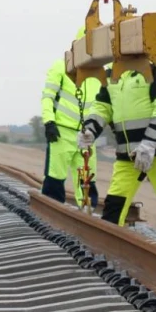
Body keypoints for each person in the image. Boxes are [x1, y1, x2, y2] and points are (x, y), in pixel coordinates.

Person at [82, 65, 156, 248]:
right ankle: (107, 249)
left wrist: (149, 143)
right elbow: (103, 107)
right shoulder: (111, 72)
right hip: (127, 154)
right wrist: (90, 130)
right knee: (114, 204)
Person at [40, 57, 100, 207]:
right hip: (61, 133)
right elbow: (48, 96)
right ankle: (52, 214)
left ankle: (88, 216)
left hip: (86, 135)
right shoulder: (60, 66)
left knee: (87, 180)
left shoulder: (98, 73)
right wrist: (49, 122)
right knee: (55, 177)